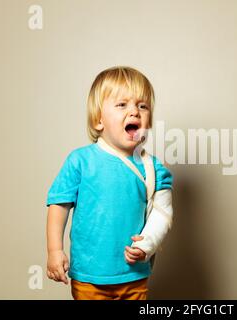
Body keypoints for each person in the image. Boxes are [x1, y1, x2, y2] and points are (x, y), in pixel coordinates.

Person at [45, 66, 173, 300]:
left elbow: (163, 213)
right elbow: (59, 205)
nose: (134, 111)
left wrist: (148, 243)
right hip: (89, 277)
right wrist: (55, 250)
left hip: (134, 275)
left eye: (142, 106)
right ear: (98, 120)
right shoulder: (80, 161)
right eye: (122, 105)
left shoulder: (153, 168)